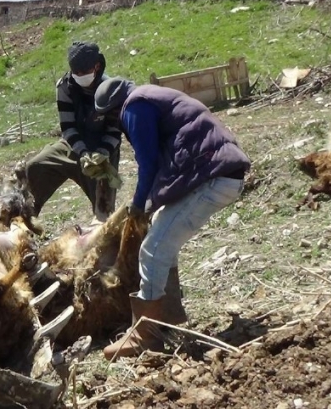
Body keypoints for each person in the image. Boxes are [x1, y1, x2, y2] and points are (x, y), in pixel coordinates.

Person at [93, 78, 251, 359]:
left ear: (112, 112)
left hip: (213, 178)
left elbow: (148, 163)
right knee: (160, 236)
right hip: (217, 173)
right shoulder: (152, 97)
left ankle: (146, 335)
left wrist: (138, 206)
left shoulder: (134, 107)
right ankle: (168, 319)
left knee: (152, 250)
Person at [25, 41, 123, 223]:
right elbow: (68, 127)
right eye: (75, 73)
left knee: (104, 211)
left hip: (103, 150)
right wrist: (83, 152)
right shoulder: (64, 87)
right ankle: (27, 221)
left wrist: (101, 154)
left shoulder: (111, 89)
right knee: (35, 166)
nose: (80, 76)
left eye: (84, 72)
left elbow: (115, 131)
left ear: (97, 66)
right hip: (73, 145)